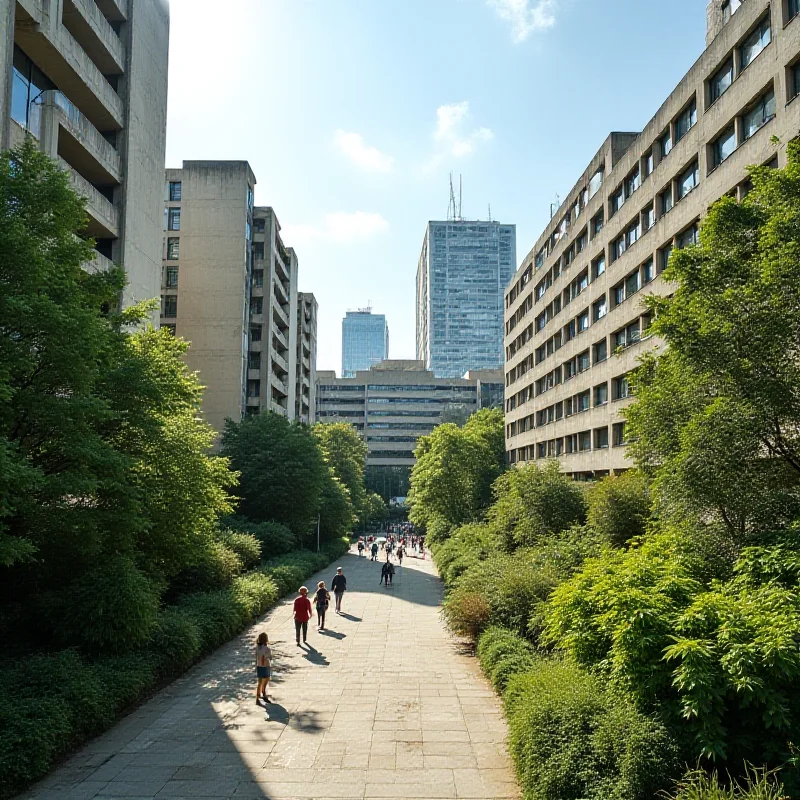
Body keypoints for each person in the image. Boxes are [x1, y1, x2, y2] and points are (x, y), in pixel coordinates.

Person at [255, 632, 271, 705]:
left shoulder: (257, 647)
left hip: (259, 666)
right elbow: (269, 657)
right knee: (266, 679)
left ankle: (257, 697)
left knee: (260, 682)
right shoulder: (267, 648)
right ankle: (264, 693)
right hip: (265, 666)